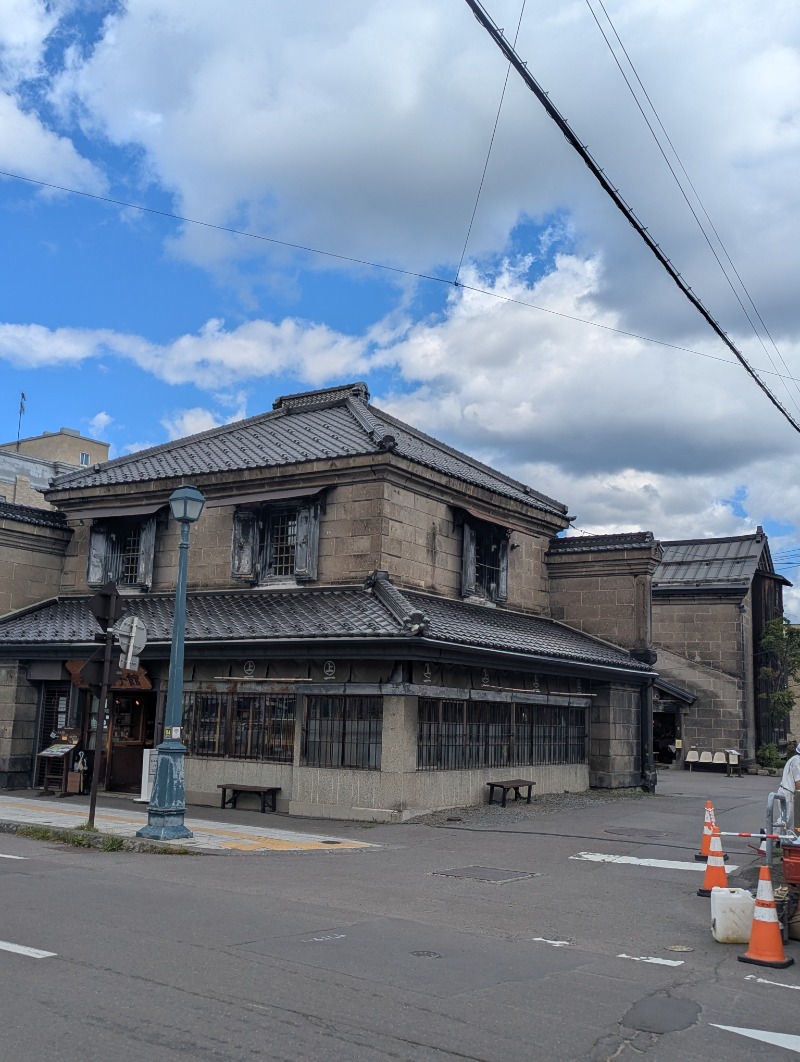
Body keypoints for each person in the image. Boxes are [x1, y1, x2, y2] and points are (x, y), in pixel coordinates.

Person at [778, 743, 800, 836]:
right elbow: (798, 782)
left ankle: (775, 837)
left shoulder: (794, 759)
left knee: (787, 819)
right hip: (787, 792)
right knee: (786, 818)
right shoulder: (797, 762)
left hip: (785, 790)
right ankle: (769, 836)